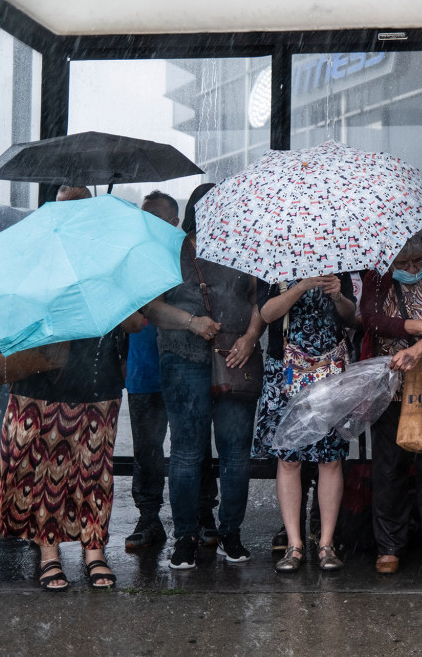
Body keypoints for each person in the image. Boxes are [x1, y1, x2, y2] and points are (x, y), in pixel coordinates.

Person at [142, 184, 263, 571]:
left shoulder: (246, 249)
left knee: (235, 454)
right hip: (182, 357)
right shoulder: (171, 251)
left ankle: (230, 532)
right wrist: (192, 323)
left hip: (235, 356)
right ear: (198, 212)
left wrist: (249, 337)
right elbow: (151, 308)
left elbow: (260, 302)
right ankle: (185, 537)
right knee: (187, 452)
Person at [0, 319, 142, 591]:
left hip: (100, 378)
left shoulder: (110, 277)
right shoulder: (38, 277)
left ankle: (94, 549)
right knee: (43, 472)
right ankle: (49, 553)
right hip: (41, 379)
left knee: (95, 471)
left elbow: (135, 324)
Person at [360, 227, 422, 575]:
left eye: (419, 260)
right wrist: (419, 328)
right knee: (389, 468)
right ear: (390, 260)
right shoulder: (376, 279)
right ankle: (389, 546)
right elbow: (373, 320)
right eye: (404, 262)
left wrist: (419, 348)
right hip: (390, 385)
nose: (414, 267)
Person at [125, 190, 219, 550]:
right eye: (144, 215)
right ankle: (148, 518)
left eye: (156, 216)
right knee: (146, 449)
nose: (148, 222)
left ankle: (203, 513)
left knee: (194, 444)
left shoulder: (186, 255)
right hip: (143, 368)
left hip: (184, 363)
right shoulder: (136, 256)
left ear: (175, 222)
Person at [255, 271, 357, 573]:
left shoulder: (337, 264)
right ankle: (294, 543)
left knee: (331, 459)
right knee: (288, 459)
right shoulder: (274, 265)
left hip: (330, 369)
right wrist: (300, 286)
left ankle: (326, 543)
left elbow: (350, 317)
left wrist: (338, 295)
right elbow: (267, 313)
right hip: (286, 371)